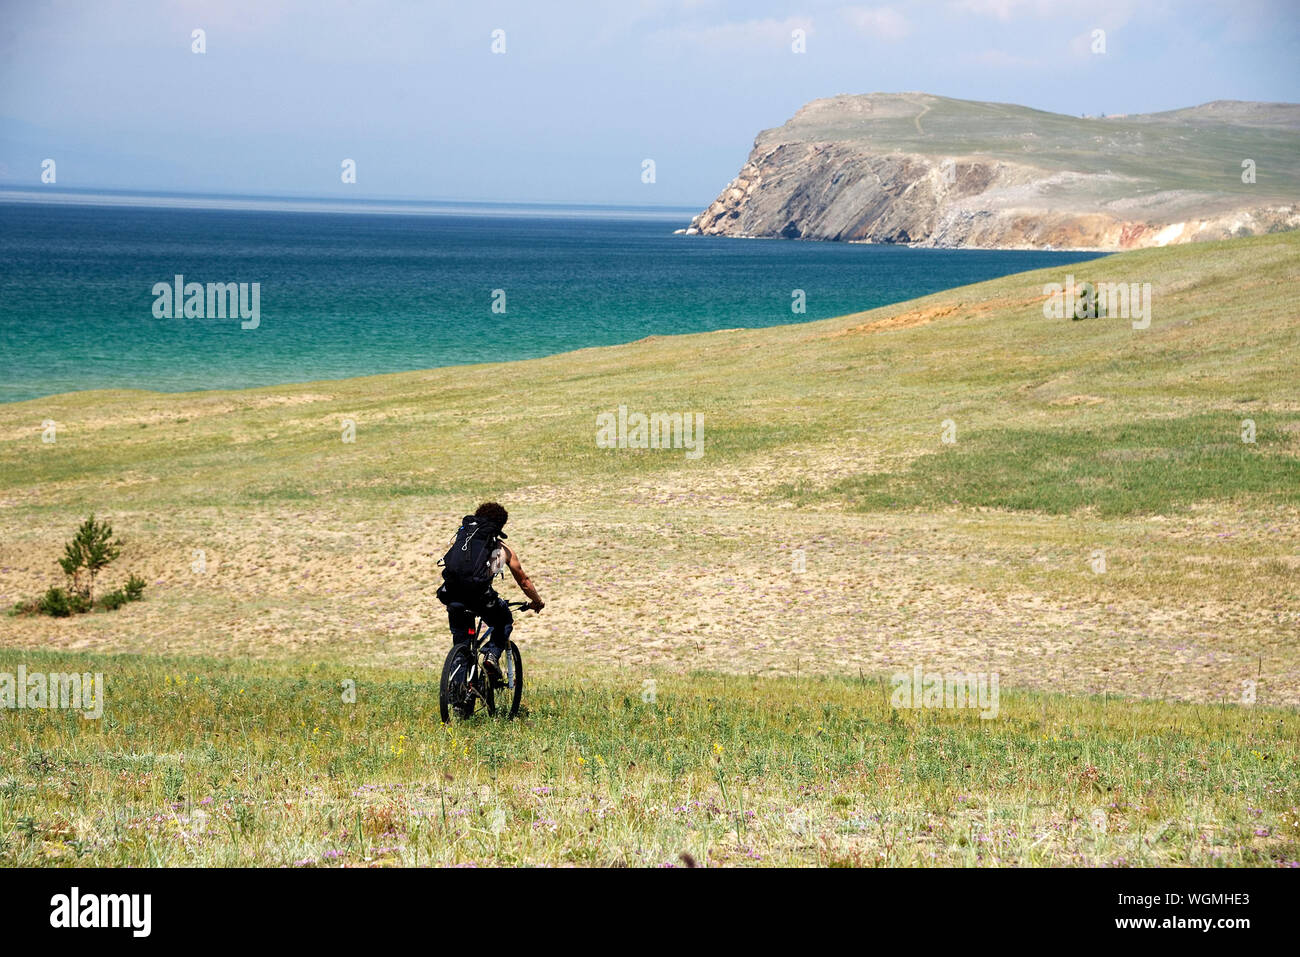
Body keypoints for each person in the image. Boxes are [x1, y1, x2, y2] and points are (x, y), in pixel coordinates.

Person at [436, 502, 544, 678]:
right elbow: (524, 581)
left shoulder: (464, 540)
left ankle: (457, 698)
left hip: (452, 594)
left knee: (461, 646)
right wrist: (537, 602)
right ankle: (491, 655)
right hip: (479, 598)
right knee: (503, 621)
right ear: (501, 525)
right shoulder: (502, 548)